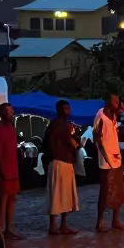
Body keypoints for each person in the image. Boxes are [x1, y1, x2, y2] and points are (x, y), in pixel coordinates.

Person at [94, 94, 124, 231]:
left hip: (116, 158)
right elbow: (97, 138)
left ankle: (115, 220)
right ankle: (100, 222)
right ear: (108, 102)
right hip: (106, 161)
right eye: (115, 102)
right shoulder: (100, 115)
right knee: (105, 191)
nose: (118, 104)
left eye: (118, 101)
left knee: (118, 190)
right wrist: (105, 157)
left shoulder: (113, 116)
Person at [44, 100, 81, 235]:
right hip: (58, 161)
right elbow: (68, 142)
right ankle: (53, 225)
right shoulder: (57, 125)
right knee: (56, 193)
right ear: (59, 110)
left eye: (68, 108)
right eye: (65, 108)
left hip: (66, 161)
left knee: (66, 194)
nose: (68, 111)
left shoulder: (65, 125)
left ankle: (63, 224)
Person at [0, 103, 23, 239]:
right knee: (3, 199)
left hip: (13, 167)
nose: (10, 114)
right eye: (7, 111)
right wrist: (2, 169)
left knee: (12, 198)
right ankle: (0, 228)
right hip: (3, 169)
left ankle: (8, 228)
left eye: (11, 111)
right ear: (2, 113)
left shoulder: (11, 128)